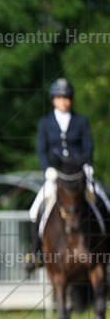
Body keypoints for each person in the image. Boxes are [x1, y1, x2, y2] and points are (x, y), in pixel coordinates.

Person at [25, 78, 110, 272]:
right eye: (59, 97)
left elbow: (88, 146)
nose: (63, 101)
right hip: (57, 177)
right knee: (34, 209)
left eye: (66, 97)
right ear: (54, 99)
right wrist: (48, 168)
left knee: (105, 202)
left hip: (79, 175)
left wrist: (88, 165)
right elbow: (41, 150)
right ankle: (36, 254)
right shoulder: (45, 123)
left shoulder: (81, 121)